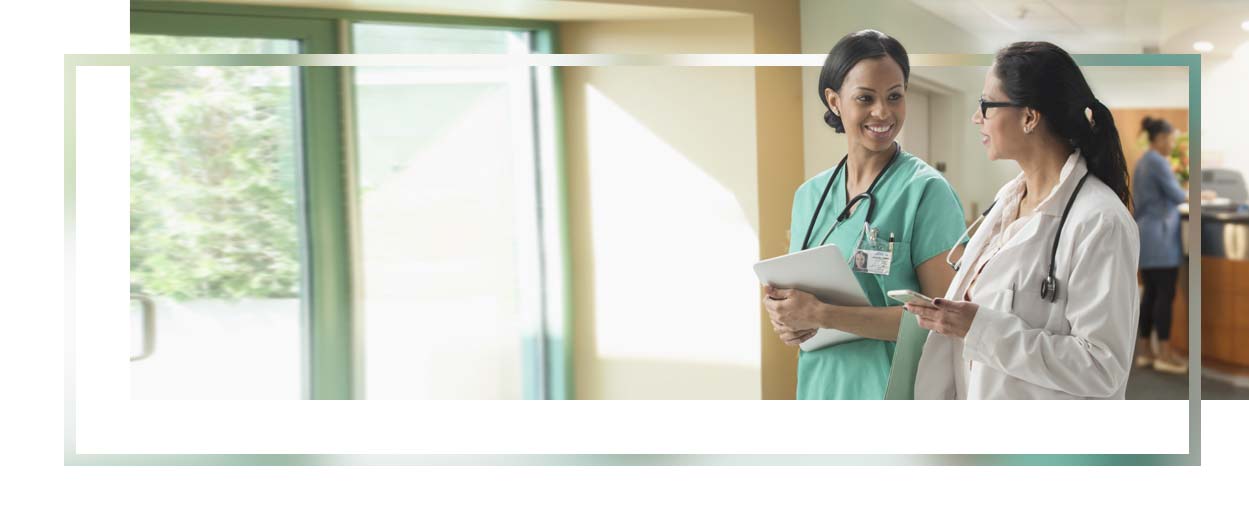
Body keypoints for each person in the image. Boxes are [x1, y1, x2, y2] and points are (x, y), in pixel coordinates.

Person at [910, 41, 1140, 400]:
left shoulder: (1099, 221)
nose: (976, 118)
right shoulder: (1007, 202)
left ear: (1030, 117)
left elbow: (1102, 367)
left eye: (986, 106)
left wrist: (980, 328)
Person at [763, 29, 966, 400]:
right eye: (865, 98)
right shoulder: (809, 195)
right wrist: (786, 316)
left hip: (894, 393)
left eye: (894, 96)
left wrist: (822, 315)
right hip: (821, 389)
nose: (883, 112)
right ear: (834, 101)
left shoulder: (925, 191)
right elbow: (798, 299)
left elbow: (944, 320)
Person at [1133, 116, 1187, 374]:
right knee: (1166, 295)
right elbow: (1177, 196)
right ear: (1161, 138)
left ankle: (1145, 350)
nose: (1173, 144)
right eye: (1171, 139)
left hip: (1146, 236)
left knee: (1152, 294)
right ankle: (1165, 353)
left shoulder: (1143, 161)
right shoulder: (1157, 161)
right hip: (1161, 238)